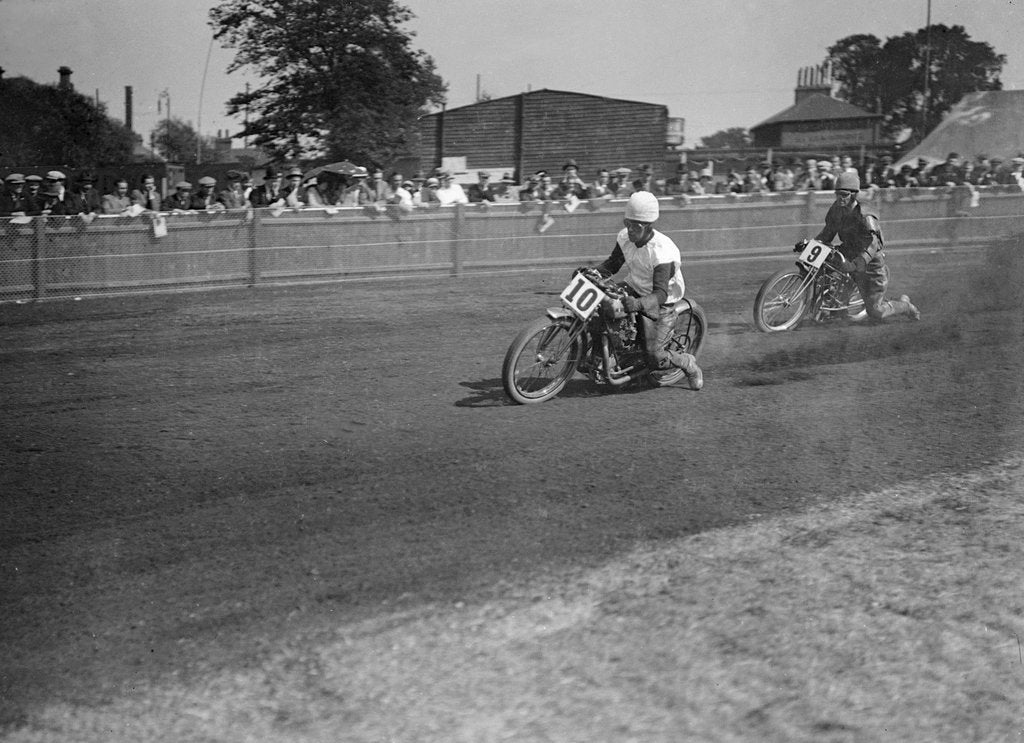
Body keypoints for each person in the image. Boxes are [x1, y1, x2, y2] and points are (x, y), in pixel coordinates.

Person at [572, 192, 702, 391]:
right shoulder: (625, 237)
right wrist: (590, 272)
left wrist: (638, 304)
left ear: (649, 226)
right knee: (600, 309)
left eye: (636, 226)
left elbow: (660, 293)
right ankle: (603, 358)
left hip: (660, 301)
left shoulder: (661, 252)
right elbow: (612, 265)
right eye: (627, 223)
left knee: (654, 356)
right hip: (633, 287)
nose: (630, 230)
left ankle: (687, 363)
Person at [803, 171, 919, 322]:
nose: (840, 198)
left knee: (876, 311)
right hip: (848, 250)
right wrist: (810, 246)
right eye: (837, 194)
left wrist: (859, 262)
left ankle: (905, 305)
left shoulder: (865, 215)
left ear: (854, 194)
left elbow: (873, 243)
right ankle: (829, 305)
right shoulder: (836, 210)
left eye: (844, 194)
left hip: (870, 263)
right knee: (823, 263)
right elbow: (828, 233)